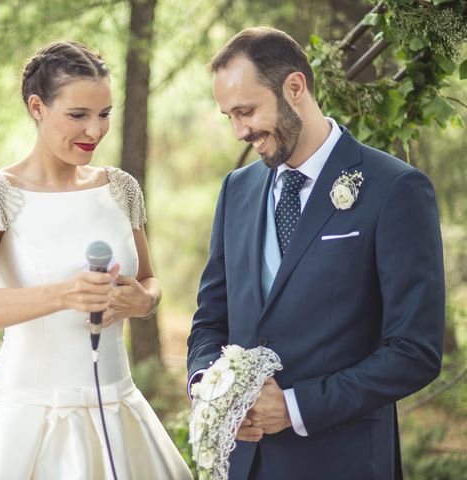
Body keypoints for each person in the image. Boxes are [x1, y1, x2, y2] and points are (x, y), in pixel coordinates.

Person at [0, 41, 192, 479]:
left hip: (118, 408)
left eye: (104, 114)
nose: (95, 132)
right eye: (78, 115)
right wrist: (66, 293)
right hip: (28, 416)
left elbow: (150, 279)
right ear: (38, 107)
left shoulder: (121, 187)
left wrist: (145, 301)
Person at [187, 27, 445, 480]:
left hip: (343, 462)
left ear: (294, 88)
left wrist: (294, 406)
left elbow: (414, 351)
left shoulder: (395, 189)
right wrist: (210, 386)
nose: (239, 131)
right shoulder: (236, 191)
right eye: (229, 116)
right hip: (245, 465)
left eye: (246, 112)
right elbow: (211, 319)